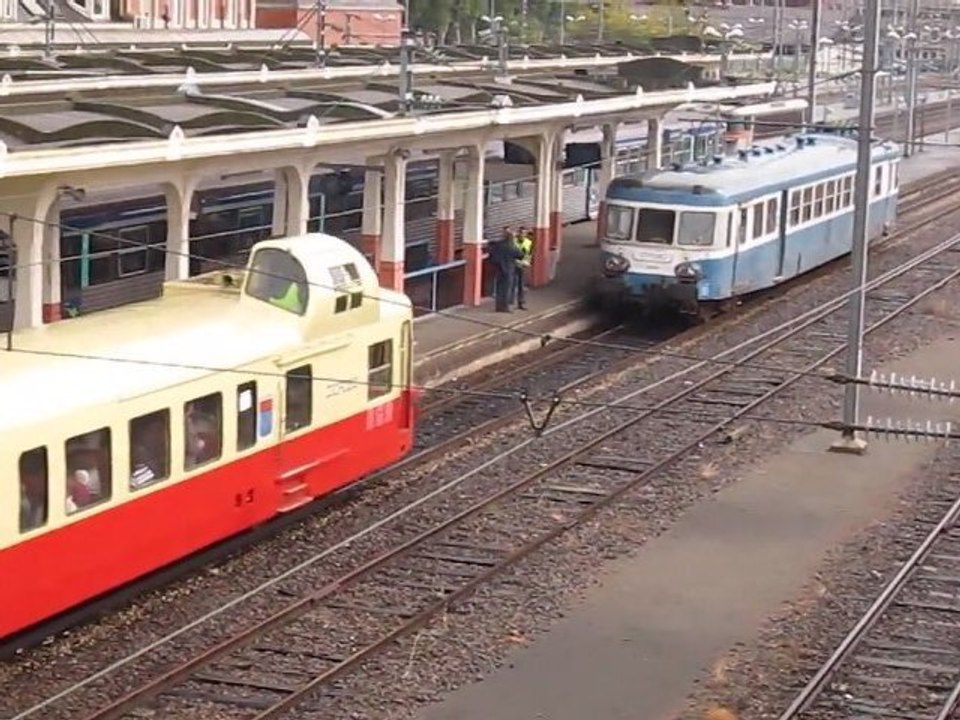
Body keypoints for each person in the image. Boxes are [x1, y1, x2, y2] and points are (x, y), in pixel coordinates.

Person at [488, 226, 523, 313]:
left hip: (499, 269)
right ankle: (505, 307)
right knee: (507, 289)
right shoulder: (511, 246)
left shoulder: (498, 245)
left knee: (499, 288)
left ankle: (498, 307)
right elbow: (520, 255)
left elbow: (492, 254)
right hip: (509, 270)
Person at [514, 226, 533, 311]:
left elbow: (528, 254)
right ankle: (510, 304)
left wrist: (527, 263)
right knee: (511, 285)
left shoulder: (528, 242)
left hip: (522, 266)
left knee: (521, 285)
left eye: (524, 233)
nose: (522, 234)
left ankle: (520, 303)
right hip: (513, 265)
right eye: (521, 233)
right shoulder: (514, 242)